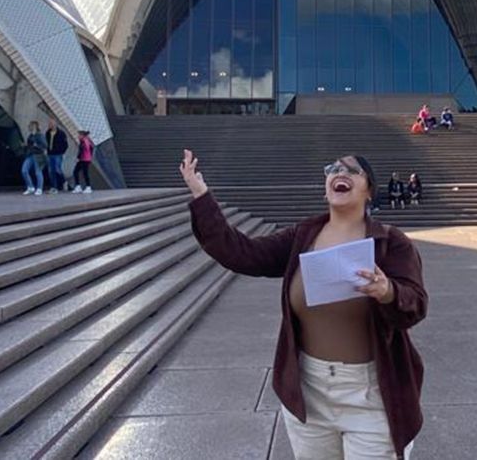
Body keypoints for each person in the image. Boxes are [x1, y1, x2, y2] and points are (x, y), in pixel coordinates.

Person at [181, 151, 426, 459]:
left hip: (371, 394)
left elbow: (416, 303)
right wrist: (202, 196)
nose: (341, 173)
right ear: (326, 186)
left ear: (369, 191)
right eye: (334, 169)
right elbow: (242, 253)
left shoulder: (390, 242)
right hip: (309, 392)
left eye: (353, 171)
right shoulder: (303, 236)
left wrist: (388, 290)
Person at [21, 121, 48, 196]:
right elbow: (30, 146)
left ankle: (39, 189)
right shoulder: (30, 136)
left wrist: (37, 145)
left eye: (30, 125)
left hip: (38, 155)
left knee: (38, 172)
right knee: (24, 170)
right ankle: (30, 187)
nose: (29, 127)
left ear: (35, 126)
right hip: (30, 155)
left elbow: (45, 145)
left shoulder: (40, 135)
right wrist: (25, 146)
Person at [45, 120, 68, 194]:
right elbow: (46, 143)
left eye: (51, 124)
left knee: (57, 169)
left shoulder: (61, 133)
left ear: (55, 125)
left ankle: (64, 181)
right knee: (51, 171)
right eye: (49, 124)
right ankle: (54, 187)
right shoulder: (47, 133)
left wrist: (62, 152)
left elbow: (65, 144)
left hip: (58, 154)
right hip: (50, 154)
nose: (50, 125)